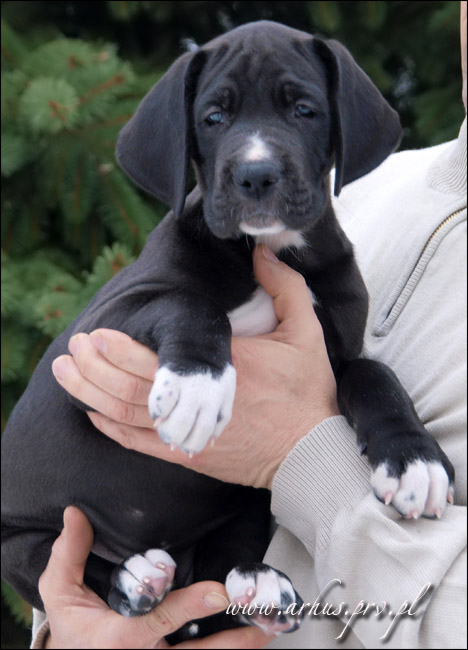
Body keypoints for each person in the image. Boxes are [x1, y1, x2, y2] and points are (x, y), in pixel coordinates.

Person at [31, 3, 467, 648]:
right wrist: (66, 629)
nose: (256, 158)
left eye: (302, 110)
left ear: (343, 124)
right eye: (216, 117)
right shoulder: (364, 195)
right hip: (141, 561)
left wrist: (301, 449)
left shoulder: (340, 198)